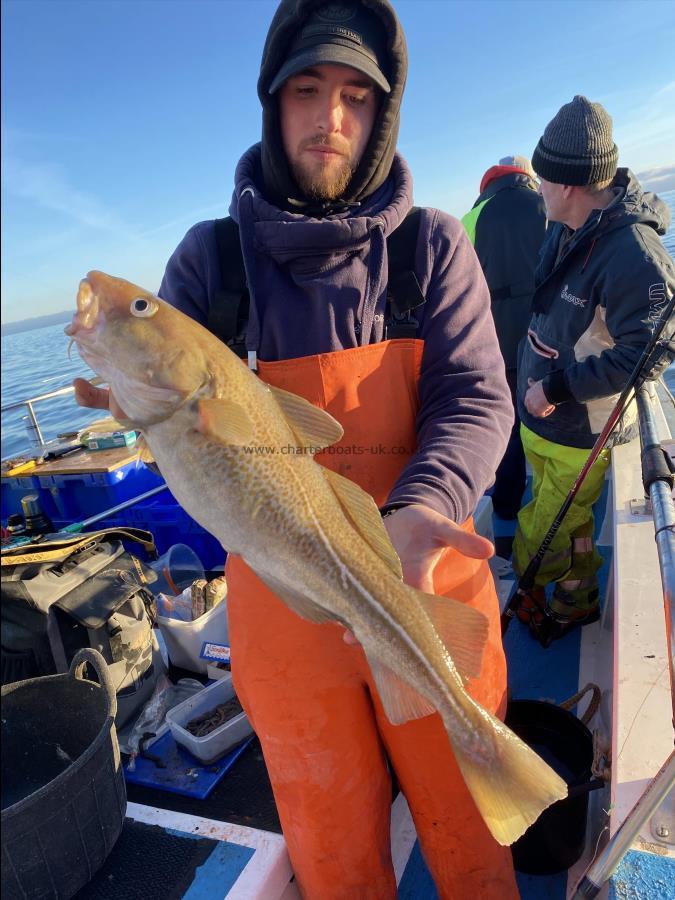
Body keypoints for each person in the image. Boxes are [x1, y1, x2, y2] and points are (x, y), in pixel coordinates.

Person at [75, 1, 518, 896]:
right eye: (306, 90)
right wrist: (136, 414)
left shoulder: (431, 246)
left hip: (419, 577)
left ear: (381, 112)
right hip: (284, 612)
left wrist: (424, 508)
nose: (330, 118)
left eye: (356, 96)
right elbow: (191, 457)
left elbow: (474, 395)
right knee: (333, 851)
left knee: (471, 840)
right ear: (272, 105)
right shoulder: (211, 265)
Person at [512, 95, 674, 645]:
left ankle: (529, 583)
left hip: (576, 427)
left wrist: (555, 387)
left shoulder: (633, 253)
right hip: (540, 416)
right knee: (572, 520)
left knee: (540, 529)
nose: (537, 190)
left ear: (571, 185)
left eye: (543, 180)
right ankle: (576, 600)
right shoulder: (564, 226)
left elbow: (648, 353)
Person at [461, 155, 547, 521]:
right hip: (548, 334)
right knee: (549, 414)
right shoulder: (548, 206)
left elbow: (458, 287)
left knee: (507, 421)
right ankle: (548, 506)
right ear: (527, 177)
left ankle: (506, 510)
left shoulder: (470, 219)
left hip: (494, 335)